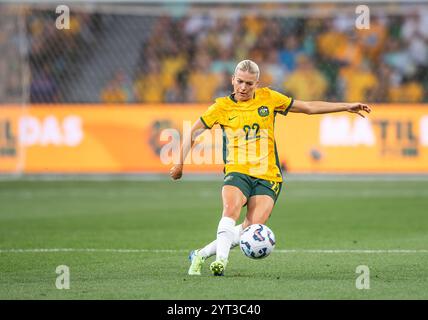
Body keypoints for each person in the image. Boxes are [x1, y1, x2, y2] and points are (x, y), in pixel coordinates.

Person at [170, 59, 371, 276]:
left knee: (250, 228)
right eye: (240, 82)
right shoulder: (221, 107)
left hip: (268, 176)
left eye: (249, 83)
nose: (243, 88)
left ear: (257, 83)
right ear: (232, 80)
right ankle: (221, 261)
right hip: (237, 171)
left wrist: (346, 106)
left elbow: (308, 107)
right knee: (230, 209)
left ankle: (200, 254)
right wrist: (179, 163)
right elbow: (193, 132)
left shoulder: (270, 98)